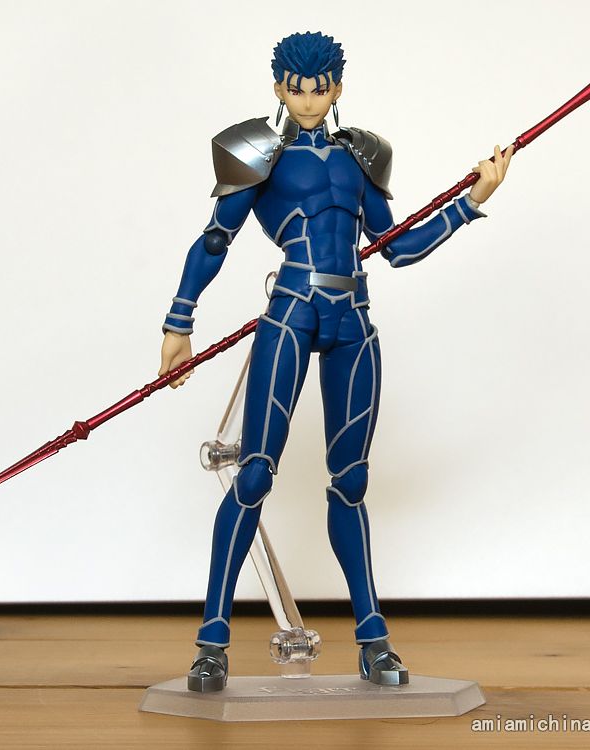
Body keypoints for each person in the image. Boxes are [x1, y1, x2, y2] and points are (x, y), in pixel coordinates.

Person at [158, 31, 513, 692]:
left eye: (319, 88)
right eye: (296, 88)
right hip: (291, 312)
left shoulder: (359, 156)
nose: (308, 100)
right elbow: (215, 239)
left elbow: (397, 248)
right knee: (254, 475)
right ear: (279, 88)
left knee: (350, 482)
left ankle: (373, 640)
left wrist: (470, 203)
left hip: (353, 317)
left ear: (337, 88)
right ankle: (211, 642)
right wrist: (179, 320)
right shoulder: (259, 154)